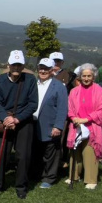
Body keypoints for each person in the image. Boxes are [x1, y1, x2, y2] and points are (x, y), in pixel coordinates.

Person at [0, 50, 38, 199]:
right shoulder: (0, 80)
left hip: (23, 122)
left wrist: (17, 119)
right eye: (14, 65)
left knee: (22, 156)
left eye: (19, 65)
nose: (16, 68)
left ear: (23, 65)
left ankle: (21, 186)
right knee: (0, 154)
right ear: (8, 65)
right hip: (5, 120)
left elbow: (33, 104)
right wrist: (5, 117)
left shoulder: (30, 80)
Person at [65, 64, 102, 189]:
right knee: (75, 152)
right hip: (76, 126)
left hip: (92, 126)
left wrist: (86, 119)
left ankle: (90, 179)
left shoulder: (100, 90)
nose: (86, 78)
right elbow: (70, 108)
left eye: (89, 76)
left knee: (90, 152)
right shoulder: (74, 91)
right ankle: (73, 176)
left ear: (94, 76)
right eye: (84, 76)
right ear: (80, 77)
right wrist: (74, 118)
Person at [32, 58, 69, 188]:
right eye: (41, 68)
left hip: (50, 125)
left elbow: (62, 108)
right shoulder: (33, 83)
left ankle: (49, 178)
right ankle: (36, 174)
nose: (43, 71)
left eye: (46, 68)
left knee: (51, 153)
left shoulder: (59, 86)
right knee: (36, 151)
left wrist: (58, 126)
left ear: (52, 70)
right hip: (33, 124)